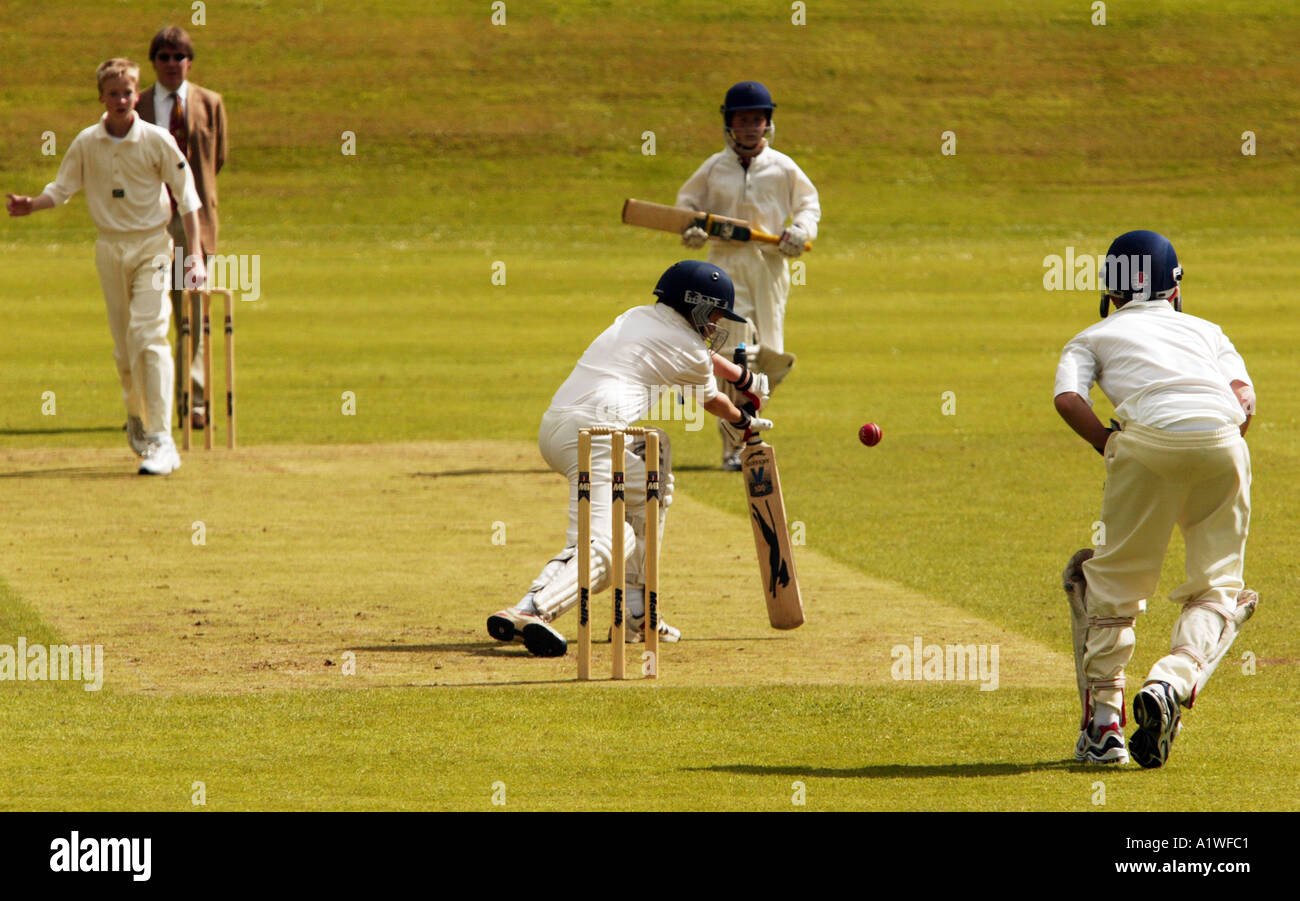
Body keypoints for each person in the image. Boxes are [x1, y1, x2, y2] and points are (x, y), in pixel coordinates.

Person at [487, 261, 772, 657]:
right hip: (597, 434)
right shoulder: (687, 348)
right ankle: (530, 610)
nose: (715, 325)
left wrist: (744, 379)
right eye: (715, 316)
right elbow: (712, 400)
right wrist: (746, 418)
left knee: (650, 486)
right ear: (697, 307)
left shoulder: (639, 317)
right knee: (609, 543)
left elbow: (707, 361)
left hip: (557, 427)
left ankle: (636, 615)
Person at [1055, 230, 1258, 767]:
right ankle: (1172, 681)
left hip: (1143, 445)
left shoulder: (1092, 336)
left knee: (1115, 587)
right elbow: (1244, 399)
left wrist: (1109, 444)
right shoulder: (1207, 330)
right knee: (1216, 587)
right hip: (1223, 441)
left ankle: (1105, 730)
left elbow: (1068, 398)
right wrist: (1215, 450)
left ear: (1111, 291)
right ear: (1173, 286)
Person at [6, 58, 206, 475]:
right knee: (124, 351)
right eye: (113, 93)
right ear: (101, 97)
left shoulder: (157, 139)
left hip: (153, 245)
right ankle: (136, 418)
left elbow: (187, 198)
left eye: (128, 93)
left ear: (138, 95)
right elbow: (62, 189)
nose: (121, 100)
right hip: (109, 249)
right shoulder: (86, 142)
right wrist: (33, 205)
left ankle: (163, 441)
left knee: (148, 334)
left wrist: (196, 258)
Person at [676, 81, 820, 470]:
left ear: (767, 123)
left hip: (768, 265)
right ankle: (738, 446)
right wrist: (691, 227)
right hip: (721, 267)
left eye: (757, 119)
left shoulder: (783, 167)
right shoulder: (714, 167)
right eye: (742, 120)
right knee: (735, 356)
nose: (750, 127)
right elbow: (686, 205)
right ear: (730, 124)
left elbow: (808, 206)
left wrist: (801, 231)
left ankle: (745, 427)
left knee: (770, 358)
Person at [136, 25, 228, 430]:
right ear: (153, 61)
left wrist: (195, 206)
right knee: (150, 319)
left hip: (195, 223)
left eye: (179, 56)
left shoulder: (211, 103)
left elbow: (217, 159)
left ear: (190, 61)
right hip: (148, 225)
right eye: (164, 57)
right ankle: (147, 407)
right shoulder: (134, 105)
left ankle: (196, 403)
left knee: (196, 316)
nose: (172, 64)